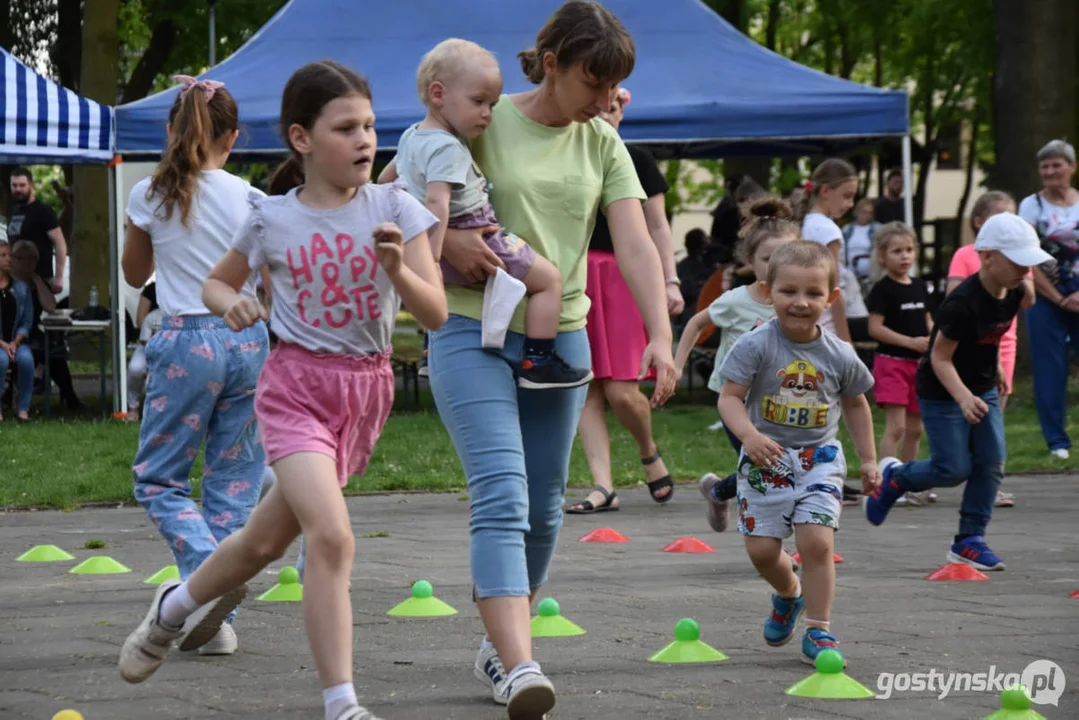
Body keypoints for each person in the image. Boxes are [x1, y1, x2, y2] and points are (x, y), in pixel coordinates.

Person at [118, 61, 445, 720]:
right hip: (291, 388)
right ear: (301, 138)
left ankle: (174, 608)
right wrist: (230, 303)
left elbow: (435, 312)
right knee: (331, 538)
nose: (364, 140)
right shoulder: (268, 216)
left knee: (261, 544)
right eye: (345, 127)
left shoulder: (396, 208)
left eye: (370, 126)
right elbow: (217, 282)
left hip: (363, 394)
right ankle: (341, 703)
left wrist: (397, 272)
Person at [418, 2, 676, 715]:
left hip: (560, 337)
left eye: (614, 85)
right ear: (552, 62)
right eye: (594, 83)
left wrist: (658, 332)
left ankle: (502, 641)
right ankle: (517, 662)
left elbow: (633, 243)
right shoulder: (482, 114)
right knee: (501, 495)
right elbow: (399, 192)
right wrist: (443, 246)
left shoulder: (601, 142)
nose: (606, 101)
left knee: (543, 511)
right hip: (471, 329)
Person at [119, 75, 272, 658]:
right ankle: (218, 614)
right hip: (247, 338)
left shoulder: (150, 195)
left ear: (169, 132)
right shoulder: (250, 197)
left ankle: (208, 580)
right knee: (234, 479)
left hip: (186, 341)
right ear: (231, 138)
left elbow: (136, 276)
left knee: (159, 478)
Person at [390, 38, 591, 389]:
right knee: (549, 281)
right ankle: (539, 360)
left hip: (433, 243)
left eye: (493, 104)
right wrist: (431, 265)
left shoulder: (410, 138)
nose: (488, 113)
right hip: (480, 234)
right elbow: (439, 203)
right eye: (478, 101)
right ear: (438, 94)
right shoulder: (447, 148)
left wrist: (420, 248)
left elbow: (386, 182)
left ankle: (429, 351)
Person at [717, 240, 879, 665]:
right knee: (762, 552)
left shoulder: (839, 354)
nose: (801, 302)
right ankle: (789, 594)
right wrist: (749, 436)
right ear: (768, 291)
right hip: (764, 460)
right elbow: (729, 398)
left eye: (813, 293)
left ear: (832, 298)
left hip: (820, 461)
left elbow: (856, 404)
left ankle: (819, 629)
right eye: (789, 291)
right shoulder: (755, 345)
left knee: (817, 543)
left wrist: (868, 459)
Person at [865, 213, 1048, 571]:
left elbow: (1003, 322)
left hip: (981, 387)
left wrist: (993, 367)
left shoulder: (1017, 288)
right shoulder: (961, 304)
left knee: (992, 461)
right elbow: (939, 358)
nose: (1026, 269)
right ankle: (897, 479)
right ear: (988, 256)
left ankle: (969, 540)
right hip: (942, 389)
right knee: (952, 469)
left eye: (1030, 261)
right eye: (1018, 260)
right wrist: (963, 397)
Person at [568, 85, 683, 514]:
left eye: (614, 107)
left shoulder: (636, 160)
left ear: (621, 112)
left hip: (621, 276)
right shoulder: (568, 154)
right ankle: (603, 485)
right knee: (585, 387)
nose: (605, 113)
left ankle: (648, 450)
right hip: (576, 273)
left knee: (620, 388)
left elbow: (657, 227)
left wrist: (670, 281)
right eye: (601, 106)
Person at [672, 197, 797, 531]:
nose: (776, 266)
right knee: (768, 469)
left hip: (780, 402)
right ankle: (773, 545)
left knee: (777, 469)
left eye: (785, 258)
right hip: (735, 401)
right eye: (768, 259)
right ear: (749, 261)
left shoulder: (798, 303)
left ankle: (719, 491)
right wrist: (678, 365)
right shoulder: (736, 302)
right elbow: (696, 324)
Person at [947, 191, 1026, 509]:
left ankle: (988, 486)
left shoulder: (1020, 261)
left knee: (994, 424)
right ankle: (969, 477)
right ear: (979, 224)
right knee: (973, 421)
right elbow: (953, 295)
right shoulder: (966, 255)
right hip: (970, 345)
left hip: (1002, 343)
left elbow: (1027, 296)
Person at [1017, 139, 1079, 460]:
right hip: (1044, 293)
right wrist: (1057, 297)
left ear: (1072, 167)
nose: (1051, 171)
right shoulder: (1031, 206)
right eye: (1045, 166)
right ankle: (1057, 441)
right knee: (1049, 368)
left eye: (1057, 165)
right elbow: (1026, 256)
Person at [866, 222, 933, 504]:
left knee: (916, 428)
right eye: (897, 251)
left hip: (919, 366)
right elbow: (875, 328)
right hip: (891, 363)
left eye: (909, 250)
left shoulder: (920, 287)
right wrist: (909, 342)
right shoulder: (882, 289)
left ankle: (908, 481)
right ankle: (886, 482)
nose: (904, 256)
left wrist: (934, 340)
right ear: (882, 256)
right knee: (897, 427)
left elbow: (928, 321)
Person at [9, 239, 81, 410]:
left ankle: (70, 397)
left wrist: (37, 281)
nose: (26, 263)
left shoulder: (37, 282)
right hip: (10, 333)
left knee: (55, 354)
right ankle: (10, 397)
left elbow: (50, 306)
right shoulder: (7, 283)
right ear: (12, 260)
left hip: (33, 333)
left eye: (31, 259)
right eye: (21, 259)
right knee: (28, 355)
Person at [798, 159, 857, 341]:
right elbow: (834, 289)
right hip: (827, 325)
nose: (851, 204)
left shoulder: (804, 223)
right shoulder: (829, 230)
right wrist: (846, 342)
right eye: (847, 196)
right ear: (825, 191)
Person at [7, 168, 67, 294]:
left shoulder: (42, 211)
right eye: (14, 185)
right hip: (16, 279)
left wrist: (59, 277)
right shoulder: (13, 211)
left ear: (31, 185)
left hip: (39, 280)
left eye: (22, 185)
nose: (18, 189)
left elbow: (60, 242)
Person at [0, 241, 34, 422]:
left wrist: (15, 342)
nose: (8, 259)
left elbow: (27, 321)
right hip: (0, 344)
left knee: (26, 359)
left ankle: (23, 408)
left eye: (9, 256)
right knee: (1, 360)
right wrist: (3, 345)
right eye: (3, 256)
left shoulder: (21, 288)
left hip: (16, 342)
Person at [126, 282, 163, 423]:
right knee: (135, 369)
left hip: (178, 346)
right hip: (149, 344)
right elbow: (140, 321)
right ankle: (133, 407)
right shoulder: (151, 289)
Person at [841, 198, 878, 281]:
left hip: (871, 275)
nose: (867, 215)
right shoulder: (846, 229)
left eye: (870, 213)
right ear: (856, 212)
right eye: (864, 212)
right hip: (850, 274)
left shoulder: (878, 229)